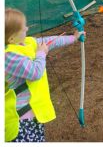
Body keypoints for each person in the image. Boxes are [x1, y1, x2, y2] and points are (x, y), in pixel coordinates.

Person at [5, 8, 84, 142]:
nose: (27, 28)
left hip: (33, 116)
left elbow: (50, 41)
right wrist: (41, 53)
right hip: (21, 121)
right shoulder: (8, 57)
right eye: (23, 28)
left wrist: (74, 37)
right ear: (11, 38)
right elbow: (35, 72)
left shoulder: (26, 42)